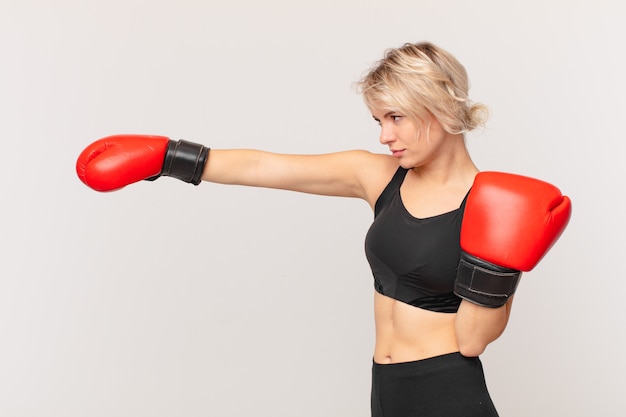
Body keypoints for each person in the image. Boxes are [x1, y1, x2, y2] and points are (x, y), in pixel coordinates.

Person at [76, 42, 571, 417]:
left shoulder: (497, 207)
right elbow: (267, 167)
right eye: (378, 119)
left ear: (439, 108)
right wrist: (169, 156)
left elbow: (472, 340)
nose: (384, 135)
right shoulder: (379, 177)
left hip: (446, 392)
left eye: (396, 117)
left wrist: (498, 269)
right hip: (386, 388)